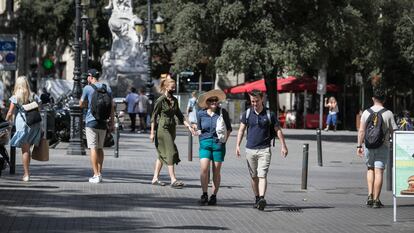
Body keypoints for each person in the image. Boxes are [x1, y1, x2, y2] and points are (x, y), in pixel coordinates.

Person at [236, 89, 288, 211]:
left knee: (262, 174)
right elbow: (241, 130)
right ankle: (257, 198)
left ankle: (262, 198)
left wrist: (283, 145)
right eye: (252, 101)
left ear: (262, 99)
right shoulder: (247, 113)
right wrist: (237, 145)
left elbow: (278, 130)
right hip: (250, 150)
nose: (254, 103)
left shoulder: (270, 114)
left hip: (264, 149)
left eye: (256, 101)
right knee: (254, 176)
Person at [150, 76, 194, 188]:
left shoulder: (174, 100)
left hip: (171, 129)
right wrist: (151, 133)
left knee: (162, 154)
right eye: (172, 87)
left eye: (175, 87)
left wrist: (188, 126)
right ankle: (173, 179)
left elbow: (180, 115)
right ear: (166, 87)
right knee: (171, 151)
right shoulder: (160, 100)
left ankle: (155, 178)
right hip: (162, 129)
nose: (174, 89)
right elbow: (153, 117)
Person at [357, 88, 397, 208]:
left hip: (369, 145)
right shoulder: (388, 113)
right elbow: (394, 131)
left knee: (370, 169)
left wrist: (359, 145)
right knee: (379, 171)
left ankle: (369, 195)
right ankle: (376, 200)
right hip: (383, 145)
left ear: (373, 98)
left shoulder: (366, 112)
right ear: (384, 99)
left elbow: (362, 130)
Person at [195, 89, 232, 205]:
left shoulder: (223, 112)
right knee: (204, 169)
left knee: (216, 172)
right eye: (211, 100)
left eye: (215, 100)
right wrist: (196, 132)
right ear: (207, 102)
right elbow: (200, 129)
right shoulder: (200, 113)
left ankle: (214, 195)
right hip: (205, 144)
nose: (214, 102)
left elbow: (229, 129)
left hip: (218, 145)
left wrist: (224, 141)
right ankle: (204, 194)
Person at [80, 69, 114, 183]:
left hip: (91, 121)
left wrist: (87, 105)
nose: (86, 79)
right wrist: (112, 122)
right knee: (100, 148)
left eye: (87, 77)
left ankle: (95, 174)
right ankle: (100, 173)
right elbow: (112, 106)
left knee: (93, 147)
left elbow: (81, 104)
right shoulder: (107, 87)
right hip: (103, 122)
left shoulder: (87, 88)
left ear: (90, 77)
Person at [5, 76, 42, 182]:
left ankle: (26, 174)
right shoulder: (33, 95)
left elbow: (10, 112)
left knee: (25, 150)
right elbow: (40, 107)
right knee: (28, 150)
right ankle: (27, 171)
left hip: (23, 125)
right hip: (34, 124)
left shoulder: (16, 96)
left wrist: (6, 121)